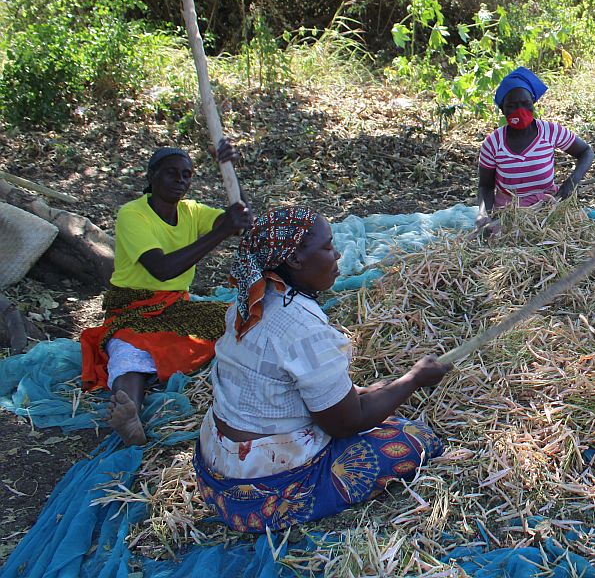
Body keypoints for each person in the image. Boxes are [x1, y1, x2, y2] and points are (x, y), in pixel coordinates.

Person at [194, 207, 451, 532]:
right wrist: (414, 379)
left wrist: (370, 392)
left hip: (214, 474)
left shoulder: (248, 302)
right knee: (412, 437)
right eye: (328, 246)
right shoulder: (303, 327)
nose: (339, 253)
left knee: (371, 401)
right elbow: (345, 423)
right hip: (264, 493)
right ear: (295, 260)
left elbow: (283, 387)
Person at [80, 140, 250, 446]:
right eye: (171, 173)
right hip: (132, 308)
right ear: (152, 177)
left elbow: (240, 221)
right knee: (129, 349)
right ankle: (127, 410)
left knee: (235, 319)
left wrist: (229, 168)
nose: (180, 181)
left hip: (175, 307)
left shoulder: (191, 211)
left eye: (186, 175)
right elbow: (162, 268)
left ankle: (155, 370)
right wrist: (221, 232)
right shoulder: (133, 214)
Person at [476, 67, 595, 231]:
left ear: (533, 103)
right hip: (509, 215)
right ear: (502, 109)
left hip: (548, 210)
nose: (520, 111)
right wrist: (483, 215)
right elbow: (485, 186)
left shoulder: (550, 131)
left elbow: (586, 152)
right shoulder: (493, 143)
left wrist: (571, 183)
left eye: (525, 104)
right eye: (512, 105)